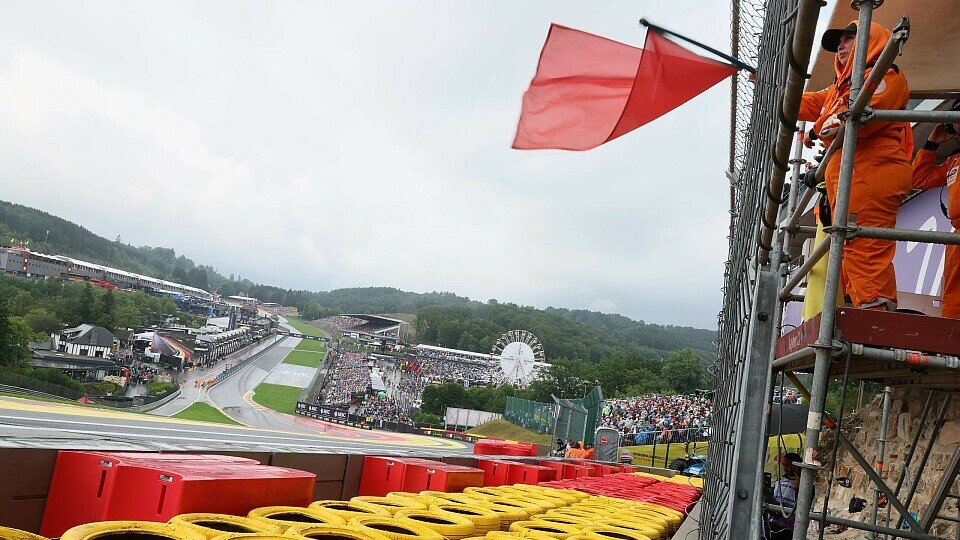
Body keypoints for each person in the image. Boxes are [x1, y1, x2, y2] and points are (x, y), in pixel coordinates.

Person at [799, 21, 913, 311]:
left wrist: (817, 129)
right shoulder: (841, 88)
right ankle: (866, 318)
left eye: (850, 39)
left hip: (872, 171)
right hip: (856, 174)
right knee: (853, 250)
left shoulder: (884, 75)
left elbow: (847, 123)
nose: (841, 46)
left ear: (869, 41)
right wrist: (767, 85)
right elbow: (803, 104)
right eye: (839, 42)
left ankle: (876, 324)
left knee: (866, 252)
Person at [911, 111, 960, 318]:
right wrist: (932, 144)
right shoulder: (954, 160)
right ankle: (953, 338)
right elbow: (918, 179)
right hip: (957, 235)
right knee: (953, 298)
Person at [765, 452, 802, 539]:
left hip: (788, 529)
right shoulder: (780, 481)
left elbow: (804, 506)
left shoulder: (805, 486)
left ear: (796, 466)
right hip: (773, 524)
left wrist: (800, 488)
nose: (785, 469)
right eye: (784, 465)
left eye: (788, 466)